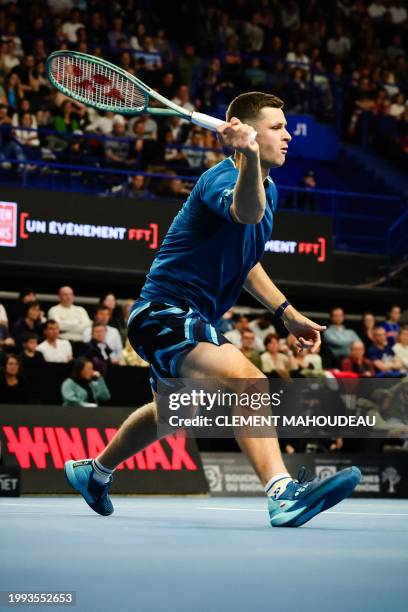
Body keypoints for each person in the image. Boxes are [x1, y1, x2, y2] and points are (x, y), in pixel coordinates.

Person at [64, 91, 360, 527]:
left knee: (172, 412)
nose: (287, 137)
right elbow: (245, 213)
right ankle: (282, 494)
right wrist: (248, 159)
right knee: (249, 381)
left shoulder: (269, 188)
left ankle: (94, 472)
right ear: (246, 130)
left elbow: (246, 258)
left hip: (190, 317)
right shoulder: (219, 180)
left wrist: (286, 311)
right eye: (276, 128)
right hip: (164, 311)